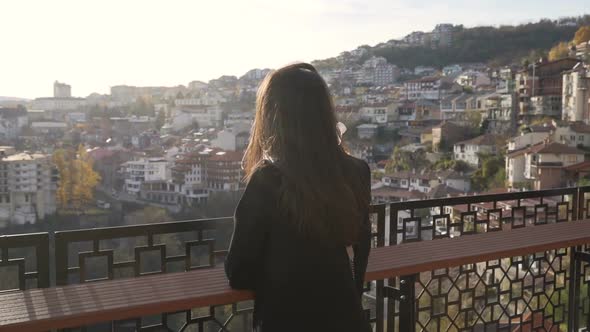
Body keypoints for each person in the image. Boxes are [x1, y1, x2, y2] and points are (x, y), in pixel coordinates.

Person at [225, 63, 372, 332]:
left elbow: (239, 271)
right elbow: (360, 253)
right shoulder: (358, 171)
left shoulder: (268, 179)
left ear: (272, 114)